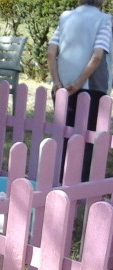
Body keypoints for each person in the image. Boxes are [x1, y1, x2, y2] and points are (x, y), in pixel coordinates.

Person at [47, 0, 112, 182]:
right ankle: (80, 183)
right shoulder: (105, 19)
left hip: (62, 87)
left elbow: (51, 52)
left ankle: (60, 179)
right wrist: (78, 83)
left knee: (65, 135)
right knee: (88, 138)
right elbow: (98, 55)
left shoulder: (65, 17)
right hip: (92, 87)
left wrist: (56, 81)